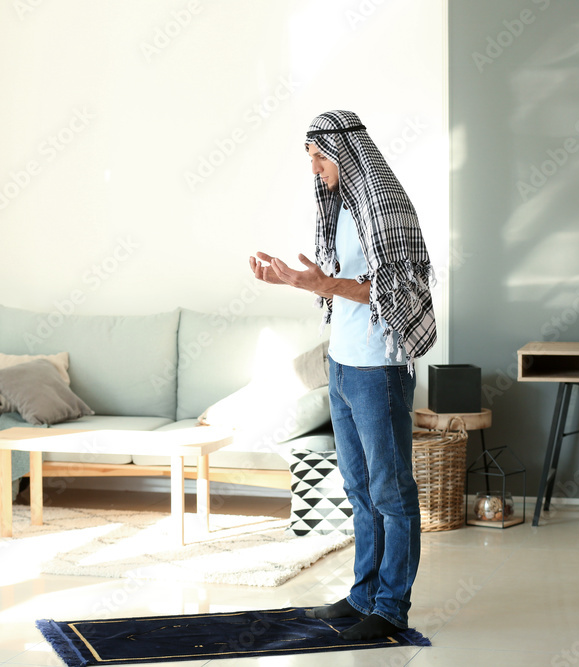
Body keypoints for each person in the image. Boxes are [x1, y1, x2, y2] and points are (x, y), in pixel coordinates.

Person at [249, 110, 436, 641]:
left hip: (380, 367)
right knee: (358, 487)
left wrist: (327, 283)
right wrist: (293, 279)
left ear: (346, 149)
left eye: (319, 155)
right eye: (309, 157)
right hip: (343, 362)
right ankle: (363, 597)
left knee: (392, 492)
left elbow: (394, 287)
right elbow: (338, 285)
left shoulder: (387, 206)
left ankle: (391, 610)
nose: (314, 168)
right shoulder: (338, 208)